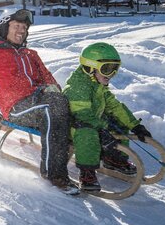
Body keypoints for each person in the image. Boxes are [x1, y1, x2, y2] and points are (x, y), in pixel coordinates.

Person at [0, 9, 78, 194]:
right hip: (16, 108)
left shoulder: (30, 54)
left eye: (24, 28)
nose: (21, 31)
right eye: (16, 26)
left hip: (40, 101)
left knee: (66, 102)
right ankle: (54, 174)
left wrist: (53, 88)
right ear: (3, 27)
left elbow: (49, 79)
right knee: (52, 107)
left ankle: (87, 154)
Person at [62, 42, 152, 192]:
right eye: (107, 69)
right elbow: (83, 115)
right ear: (89, 68)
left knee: (117, 123)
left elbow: (115, 106)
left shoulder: (98, 85)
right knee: (88, 133)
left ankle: (114, 159)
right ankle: (87, 173)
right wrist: (102, 129)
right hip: (73, 128)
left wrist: (135, 125)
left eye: (114, 69)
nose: (111, 74)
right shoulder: (77, 87)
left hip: (93, 122)